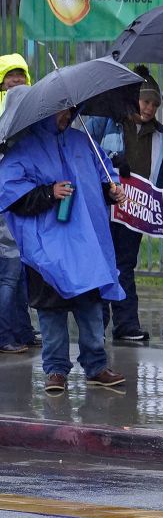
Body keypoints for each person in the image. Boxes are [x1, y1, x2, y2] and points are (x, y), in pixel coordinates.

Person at [0, 105, 127, 394]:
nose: (67, 116)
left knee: (92, 308)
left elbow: (104, 175)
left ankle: (96, 366)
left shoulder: (83, 142)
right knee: (52, 313)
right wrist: (48, 192)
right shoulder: (24, 150)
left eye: (71, 111)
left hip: (86, 246)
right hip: (47, 249)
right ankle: (56, 371)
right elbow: (9, 195)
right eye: (61, 112)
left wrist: (113, 191)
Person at [83, 66, 163, 341]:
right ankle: (98, 323)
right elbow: (86, 151)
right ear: (135, 98)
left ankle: (126, 324)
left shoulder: (158, 135)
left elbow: (162, 176)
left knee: (125, 264)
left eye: (155, 104)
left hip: (133, 211)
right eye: (146, 101)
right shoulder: (106, 121)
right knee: (102, 263)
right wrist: (110, 160)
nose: (149, 108)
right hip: (104, 206)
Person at [0, 54, 36, 354]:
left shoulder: (30, 109)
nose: (15, 81)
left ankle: (23, 331)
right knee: (10, 274)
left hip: (22, 201)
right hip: (7, 202)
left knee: (21, 273)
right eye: (10, 75)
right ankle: (4, 336)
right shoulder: (9, 112)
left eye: (20, 75)